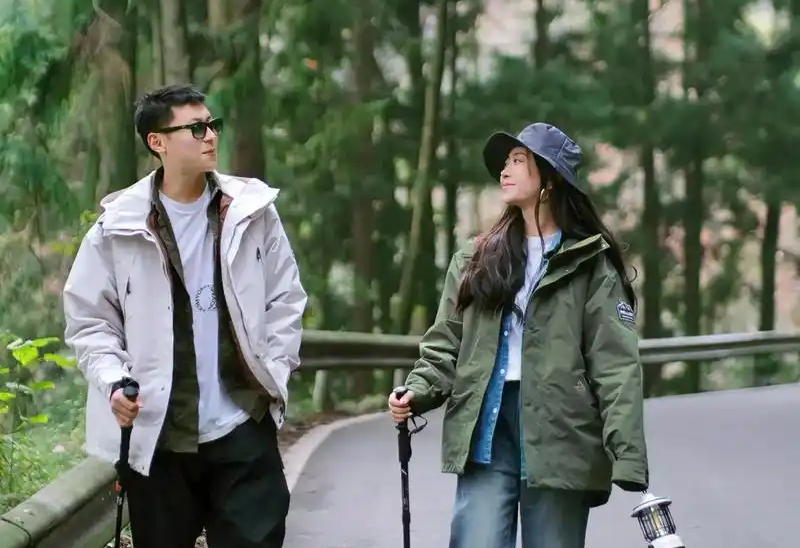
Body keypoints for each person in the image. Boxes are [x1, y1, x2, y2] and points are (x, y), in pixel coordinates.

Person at [62, 83, 307, 548]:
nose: (210, 135)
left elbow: (286, 298)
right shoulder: (116, 228)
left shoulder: (252, 213)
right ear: (158, 142)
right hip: (160, 437)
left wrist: (276, 370)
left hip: (242, 424)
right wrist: (113, 380)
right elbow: (90, 321)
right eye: (196, 128)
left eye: (212, 125)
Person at [387, 122, 648, 548]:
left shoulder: (591, 265)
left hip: (561, 430)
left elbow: (615, 364)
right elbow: (446, 341)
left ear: (550, 178)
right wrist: (417, 389)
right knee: (476, 540)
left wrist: (628, 455)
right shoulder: (476, 259)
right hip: (487, 423)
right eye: (505, 162)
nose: (504, 170)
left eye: (518, 160)